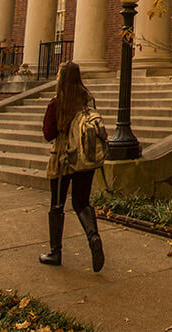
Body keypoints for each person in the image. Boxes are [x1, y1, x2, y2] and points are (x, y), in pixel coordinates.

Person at [39, 61, 107, 271]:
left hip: (62, 160)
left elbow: (48, 134)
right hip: (85, 160)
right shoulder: (88, 101)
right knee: (82, 202)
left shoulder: (57, 103)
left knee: (57, 205)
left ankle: (55, 252)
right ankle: (93, 237)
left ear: (62, 78)